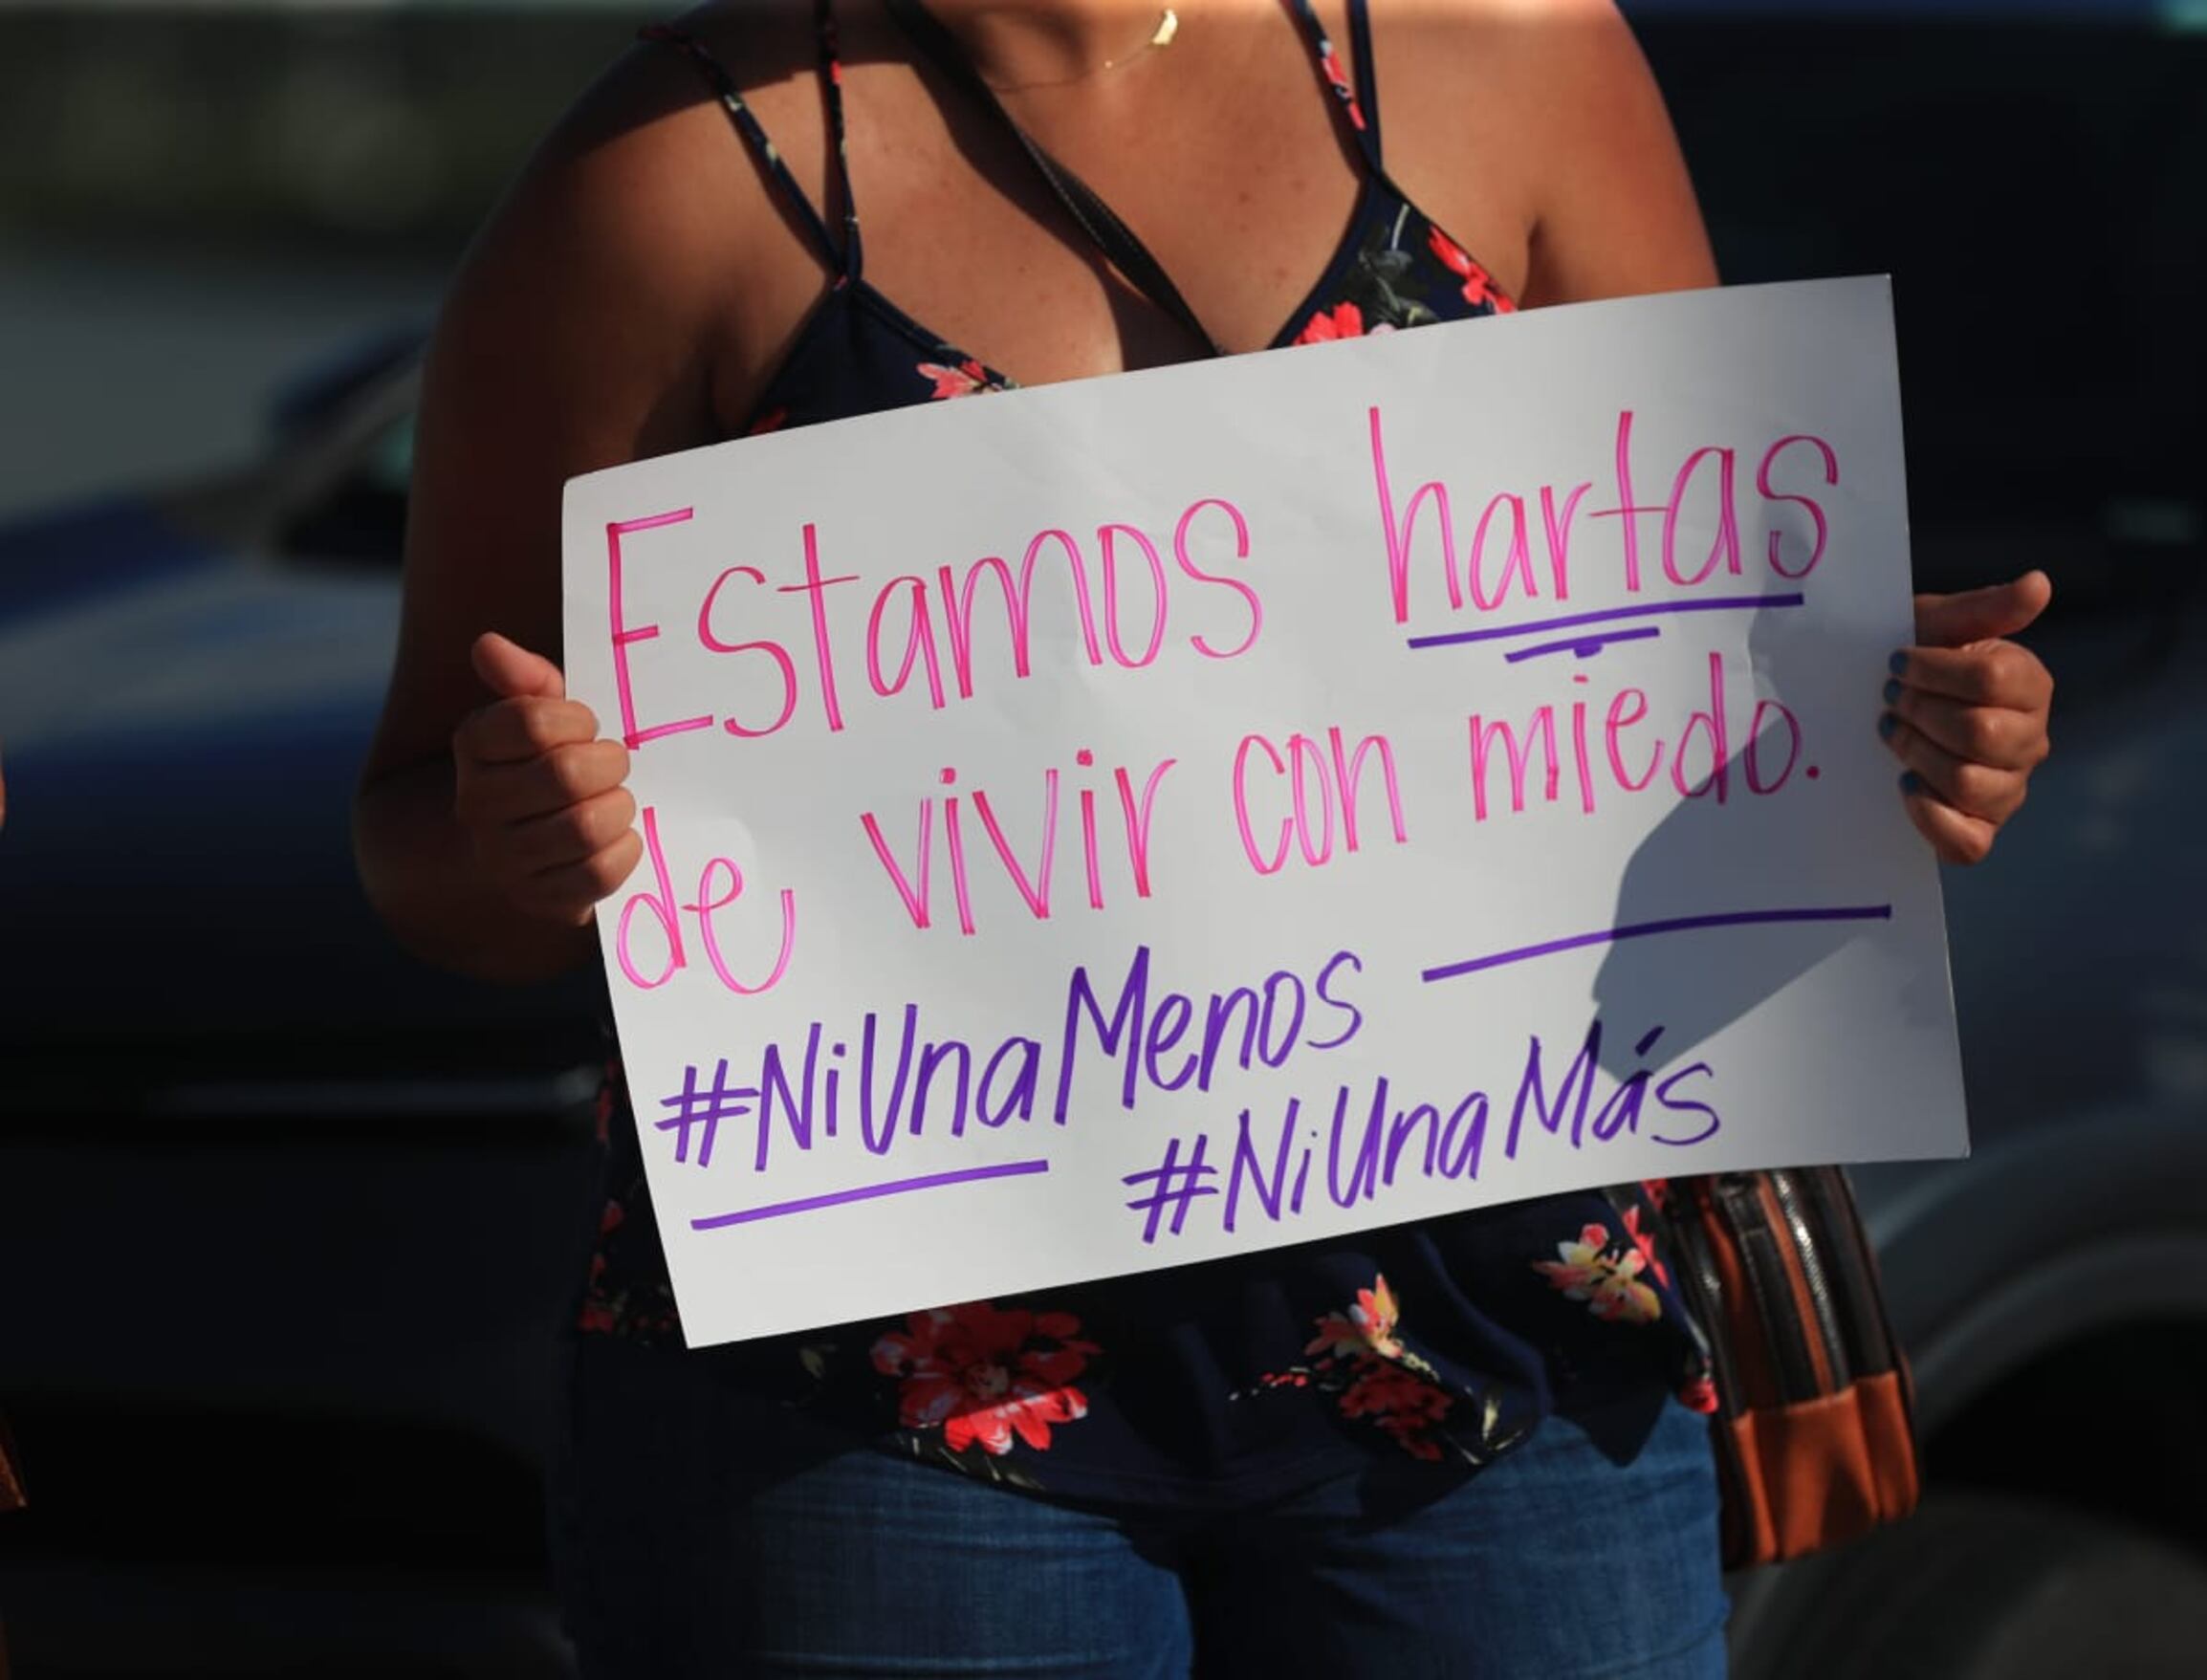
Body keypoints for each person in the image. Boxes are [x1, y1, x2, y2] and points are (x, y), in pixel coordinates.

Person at [353, 1, 2056, 1673]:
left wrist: (1905, 740)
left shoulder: (1510, 52)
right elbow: (421, 833)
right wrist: (523, 841)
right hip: (873, 1409)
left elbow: (1717, 639)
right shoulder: (668, 180)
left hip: (1496, 1359)